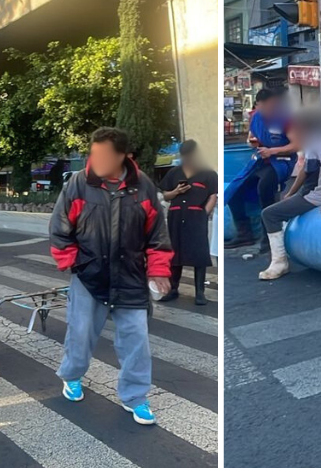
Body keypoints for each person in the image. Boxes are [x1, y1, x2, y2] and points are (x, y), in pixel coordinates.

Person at [49, 127, 172, 425]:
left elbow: (157, 235)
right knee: (80, 334)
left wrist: (158, 270)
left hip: (130, 277)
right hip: (89, 276)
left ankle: (136, 397)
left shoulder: (143, 187)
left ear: (124, 157)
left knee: (136, 340)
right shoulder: (78, 184)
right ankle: (72, 375)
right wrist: (73, 262)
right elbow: (60, 228)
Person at [258, 108, 321, 280]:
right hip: (308, 192)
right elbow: (305, 170)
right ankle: (281, 255)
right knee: (276, 210)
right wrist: (291, 192)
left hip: (316, 195)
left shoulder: (318, 141)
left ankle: (280, 262)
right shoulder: (311, 141)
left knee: (269, 214)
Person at [225, 87, 293, 250]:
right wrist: (254, 143)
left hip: (282, 160)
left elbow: (297, 144)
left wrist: (273, 151)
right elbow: (252, 138)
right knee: (235, 188)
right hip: (262, 159)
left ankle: (268, 235)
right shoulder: (255, 118)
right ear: (258, 105)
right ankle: (244, 234)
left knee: (265, 187)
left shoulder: (286, 119)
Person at [159, 139, 218, 305]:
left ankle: (200, 292)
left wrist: (203, 214)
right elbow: (165, 196)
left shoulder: (208, 173)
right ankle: (173, 289)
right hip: (176, 216)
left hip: (196, 217)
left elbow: (213, 195)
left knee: (199, 254)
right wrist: (176, 191)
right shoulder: (174, 173)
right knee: (175, 253)